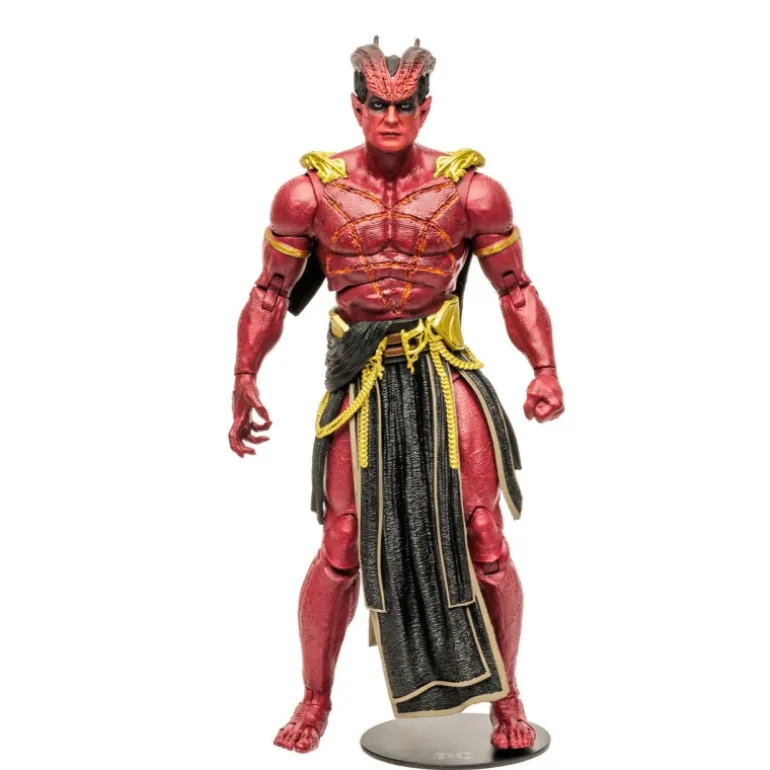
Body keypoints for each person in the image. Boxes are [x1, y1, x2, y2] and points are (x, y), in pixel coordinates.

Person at [228, 38, 564, 755]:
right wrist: (244, 375)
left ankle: (507, 694)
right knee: (341, 541)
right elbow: (269, 292)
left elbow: (515, 287)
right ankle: (315, 697)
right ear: (356, 107)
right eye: (377, 105)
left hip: (440, 369)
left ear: (425, 108)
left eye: (403, 106)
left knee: (486, 534)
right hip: (360, 379)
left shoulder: (470, 191)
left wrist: (544, 367)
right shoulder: (309, 194)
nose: (390, 118)